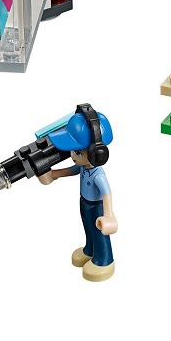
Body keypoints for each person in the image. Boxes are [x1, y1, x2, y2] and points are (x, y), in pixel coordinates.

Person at [37, 104, 117, 282]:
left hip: (96, 207)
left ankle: (104, 260)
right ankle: (90, 250)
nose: (72, 155)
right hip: (84, 202)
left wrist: (108, 215)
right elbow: (71, 170)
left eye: (77, 152)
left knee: (99, 234)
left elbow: (107, 193)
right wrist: (53, 174)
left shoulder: (98, 175)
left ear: (97, 153)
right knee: (88, 228)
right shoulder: (83, 166)